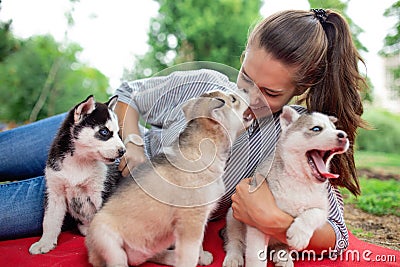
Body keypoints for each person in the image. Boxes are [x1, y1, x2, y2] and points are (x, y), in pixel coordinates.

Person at [0, 8, 366, 256]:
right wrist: (135, 147)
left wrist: (275, 221)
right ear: (242, 57)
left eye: (269, 93)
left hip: (105, 192)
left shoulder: (294, 135)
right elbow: (128, 95)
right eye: (245, 78)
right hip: (90, 136)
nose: (248, 97)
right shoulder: (206, 85)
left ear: (300, 89)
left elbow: (337, 234)